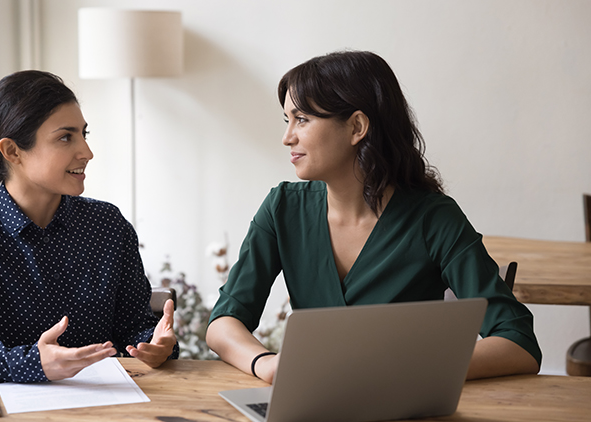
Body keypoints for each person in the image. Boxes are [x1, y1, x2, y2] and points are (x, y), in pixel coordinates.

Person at [206, 50, 541, 383]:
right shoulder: (282, 208)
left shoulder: (433, 219)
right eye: (287, 120)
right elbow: (223, 322)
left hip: (404, 416)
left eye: (302, 120)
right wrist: (266, 364)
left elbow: (518, 343)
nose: (287, 137)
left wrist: (406, 370)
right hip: (309, 410)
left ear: (356, 127)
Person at [0, 70, 177, 385]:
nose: (87, 152)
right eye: (65, 137)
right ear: (13, 151)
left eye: (84, 134)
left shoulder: (108, 225)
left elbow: (135, 328)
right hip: (14, 417)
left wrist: (156, 344)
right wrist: (29, 362)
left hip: (109, 407)